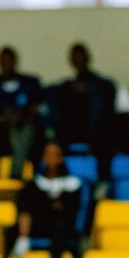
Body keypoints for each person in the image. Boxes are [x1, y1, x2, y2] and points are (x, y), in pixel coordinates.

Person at [11, 140, 82, 258]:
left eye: (55, 155)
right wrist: (50, 206)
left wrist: (47, 206)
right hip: (39, 224)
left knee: (59, 226)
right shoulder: (34, 184)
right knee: (12, 227)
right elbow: (29, 206)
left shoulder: (72, 184)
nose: (51, 159)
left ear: (61, 158)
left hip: (62, 227)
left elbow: (69, 209)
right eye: (48, 155)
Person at [45, 43, 116, 177]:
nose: (79, 62)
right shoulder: (64, 88)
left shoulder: (102, 86)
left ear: (88, 59)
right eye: (76, 59)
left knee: (106, 133)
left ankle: (102, 181)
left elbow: (106, 108)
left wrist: (87, 89)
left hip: (95, 133)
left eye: (81, 58)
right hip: (69, 130)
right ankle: (53, 177)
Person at [0, 47, 42, 180]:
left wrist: (19, 115)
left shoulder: (30, 83)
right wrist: (4, 118)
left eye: (9, 60)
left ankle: (16, 175)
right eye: (3, 60)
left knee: (26, 129)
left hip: (22, 129)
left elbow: (37, 108)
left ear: (15, 61)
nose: (6, 63)